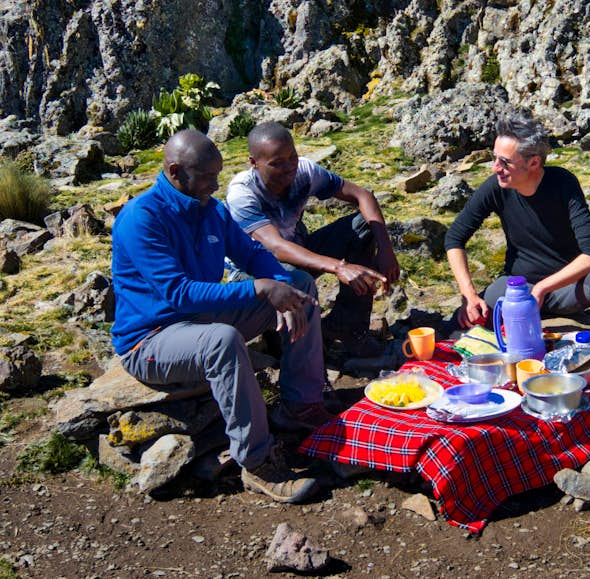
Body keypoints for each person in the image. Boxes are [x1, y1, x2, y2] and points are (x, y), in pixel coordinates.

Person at [111, 129, 333, 504]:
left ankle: (300, 405)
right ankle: (257, 462)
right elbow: (178, 293)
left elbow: (251, 253)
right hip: (151, 338)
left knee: (300, 288)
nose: (216, 185)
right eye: (207, 177)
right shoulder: (141, 219)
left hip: (202, 318)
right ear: (176, 171)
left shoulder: (211, 210)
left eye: (218, 175)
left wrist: (280, 285)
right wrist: (259, 290)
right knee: (222, 341)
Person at [444, 112, 590, 362]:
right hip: (517, 289)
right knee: (463, 319)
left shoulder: (562, 183)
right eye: (495, 158)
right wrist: (469, 295)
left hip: (567, 288)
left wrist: (543, 288)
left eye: (505, 162)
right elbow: (454, 238)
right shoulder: (496, 187)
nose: (496, 167)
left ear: (533, 163)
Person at [225, 121, 400, 357]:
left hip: (297, 251)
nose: (289, 168)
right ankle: (299, 354)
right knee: (289, 273)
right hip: (254, 272)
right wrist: (339, 267)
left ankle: (348, 328)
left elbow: (362, 195)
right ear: (254, 163)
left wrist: (386, 249)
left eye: (292, 157)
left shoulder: (304, 171)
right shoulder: (242, 192)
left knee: (362, 227)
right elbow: (274, 247)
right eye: (276, 163)